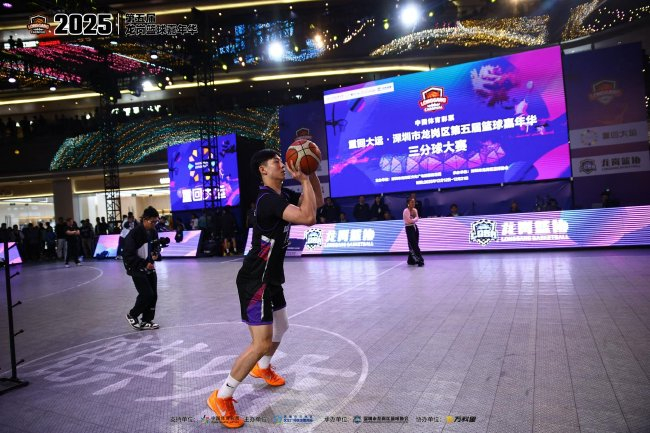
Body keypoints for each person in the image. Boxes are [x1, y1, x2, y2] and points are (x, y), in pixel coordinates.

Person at [206, 149, 323, 429]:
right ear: (263, 169)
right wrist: (304, 179)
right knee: (260, 343)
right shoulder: (267, 199)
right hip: (256, 279)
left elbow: (315, 203)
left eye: (282, 161)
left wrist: (310, 174)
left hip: (271, 278)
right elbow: (308, 218)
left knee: (282, 327)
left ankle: (263, 368)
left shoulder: (282, 195)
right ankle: (222, 396)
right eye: (276, 162)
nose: (282, 165)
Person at [123, 206, 161, 331]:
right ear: (144, 219)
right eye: (152, 221)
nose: (154, 224)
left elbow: (156, 247)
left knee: (153, 295)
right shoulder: (134, 234)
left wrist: (156, 254)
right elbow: (128, 255)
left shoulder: (153, 231)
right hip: (136, 267)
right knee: (146, 294)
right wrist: (144, 264)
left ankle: (146, 320)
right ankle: (132, 315)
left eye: (156, 221)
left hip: (150, 267)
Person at [404, 198, 424, 266]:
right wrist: (414, 219)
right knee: (413, 244)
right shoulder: (406, 211)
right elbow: (409, 221)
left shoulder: (415, 210)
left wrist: (413, 220)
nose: (413, 203)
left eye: (414, 202)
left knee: (415, 243)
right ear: (408, 203)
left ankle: (410, 260)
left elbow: (417, 218)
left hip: (414, 227)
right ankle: (419, 259)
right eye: (412, 202)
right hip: (409, 228)